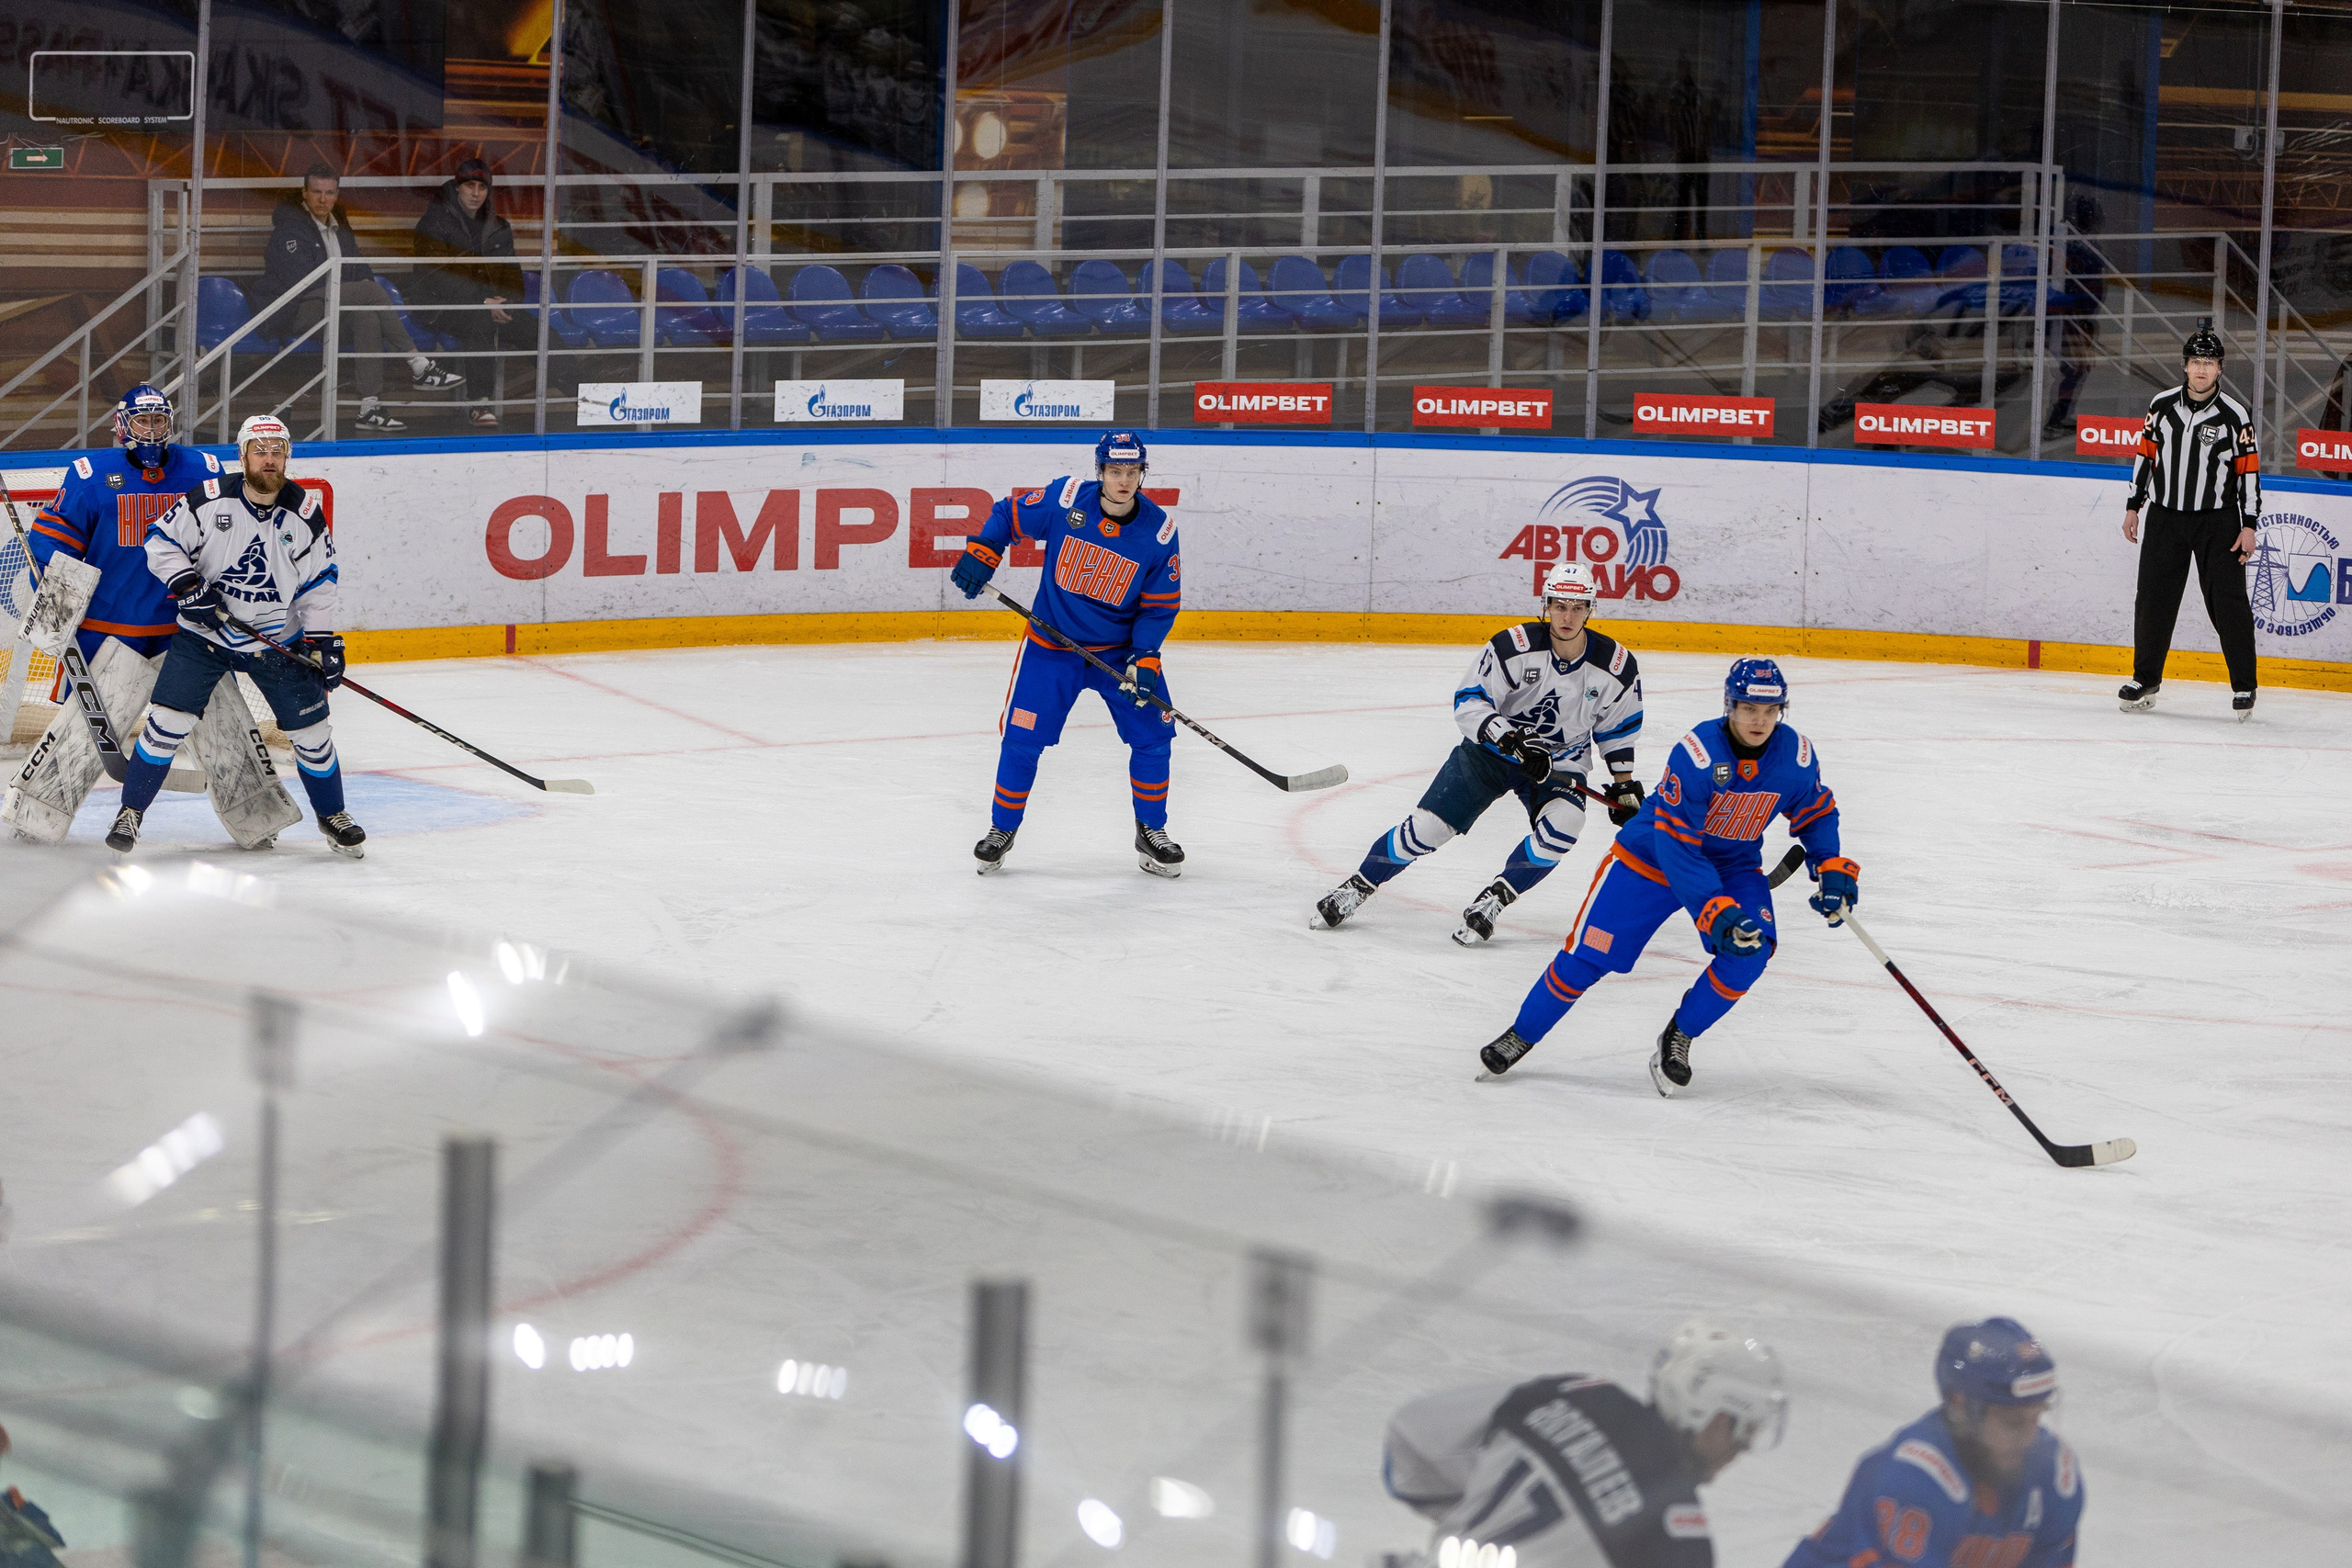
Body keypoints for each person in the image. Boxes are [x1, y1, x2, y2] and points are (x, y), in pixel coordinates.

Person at [1476, 658, 1856, 1097]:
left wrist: (1829, 864)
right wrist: (1712, 907)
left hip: (1732, 867)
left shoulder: (1796, 756)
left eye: (1770, 711)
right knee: (1587, 959)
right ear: (1730, 705)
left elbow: (1815, 811)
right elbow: (1678, 846)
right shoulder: (1699, 753)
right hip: (1650, 861)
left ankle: (1680, 1034)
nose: (1760, 720)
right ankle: (1522, 1034)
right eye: (1750, 708)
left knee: (1749, 953)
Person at [1313, 563, 1643, 945]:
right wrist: (1511, 740)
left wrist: (1623, 785)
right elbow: (1470, 701)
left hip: (1559, 762)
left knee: (1566, 826)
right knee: (1427, 829)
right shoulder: (1513, 646)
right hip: (1490, 753)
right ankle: (1358, 886)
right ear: (1546, 606)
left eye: (1577, 607)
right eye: (1559, 606)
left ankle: (1494, 900)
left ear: (1590, 609)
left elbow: (1618, 727)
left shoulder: (1616, 665)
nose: (1567, 617)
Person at [105, 414, 365, 859]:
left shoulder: (304, 513)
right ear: (242, 456)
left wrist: (322, 642)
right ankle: (130, 813)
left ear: (287, 456)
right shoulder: (209, 498)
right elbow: (160, 542)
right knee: (167, 724)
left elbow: (319, 581)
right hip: (204, 637)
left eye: (277, 450)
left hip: (276, 639)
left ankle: (332, 815)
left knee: (313, 734)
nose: (269, 458)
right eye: (259, 450)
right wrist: (188, 585)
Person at [948, 432, 1183, 877]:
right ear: (1100, 471)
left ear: (1142, 474)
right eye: (1115, 471)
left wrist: (1146, 655)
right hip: (1051, 649)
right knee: (1022, 740)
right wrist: (984, 550)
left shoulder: (1159, 532)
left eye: (1132, 472)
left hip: (1118, 656)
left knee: (1154, 738)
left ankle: (1151, 830)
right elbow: (1008, 514)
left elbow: (1158, 606)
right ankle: (1002, 829)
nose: (1124, 481)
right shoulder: (1066, 499)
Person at [1383, 1319, 1785, 1568]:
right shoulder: (1681, 1533)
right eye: (1746, 1431)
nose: (1742, 1449)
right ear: (1717, 1421)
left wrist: (1477, 1512)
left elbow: (1411, 1441)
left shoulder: (1574, 1393)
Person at [1782, 1318, 2082, 1568]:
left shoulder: (2054, 1478)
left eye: (2036, 1417)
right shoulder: (1915, 1478)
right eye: (2012, 1422)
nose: (2029, 1439)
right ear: (1960, 1404)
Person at [24, 384, 219, 676]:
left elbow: (225, 544)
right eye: (142, 420)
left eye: (158, 420)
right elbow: (55, 541)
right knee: (86, 710)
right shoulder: (90, 475)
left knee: (200, 707)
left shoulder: (204, 471)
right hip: (105, 626)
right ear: (123, 425)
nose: (151, 429)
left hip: (184, 624)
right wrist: (55, 604)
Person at [2120, 318, 2261, 720]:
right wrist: (2134, 505)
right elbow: (2146, 456)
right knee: (2153, 599)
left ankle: (2244, 685)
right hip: (2165, 518)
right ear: (2184, 365)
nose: (2201, 369)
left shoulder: (2235, 415)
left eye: (2209, 362)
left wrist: (2249, 524)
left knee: (2228, 603)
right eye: (2196, 361)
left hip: (2218, 522)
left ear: (2220, 368)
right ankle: (2145, 679)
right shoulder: (2161, 406)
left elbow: (2248, 472)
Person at [260, 164, 464, 433]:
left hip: (335, 308)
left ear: (336, 194)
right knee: (372, 292)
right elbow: (303, 282)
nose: (323, 199)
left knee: (367, 315)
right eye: (317, 192)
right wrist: (361, 289)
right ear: (305, 193)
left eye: (329, 193)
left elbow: (358, 264)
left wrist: (363, 281)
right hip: (298, 310)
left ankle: (369, 408)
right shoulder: (290, 229)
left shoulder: (340, 226)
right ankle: (419, 365)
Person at [411, 157, 528, 431]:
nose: (476, 193)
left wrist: (507, 303)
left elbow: (513, 277)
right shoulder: (433, 223)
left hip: (490, 307)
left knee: (537, 329)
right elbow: (439, 277)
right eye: (469, 186)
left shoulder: (499, 227)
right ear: (457, 187)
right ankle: (479, 404)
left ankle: (589, 399)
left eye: (482, 187)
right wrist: (483, 303)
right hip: (441, 308)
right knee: (480, 320)